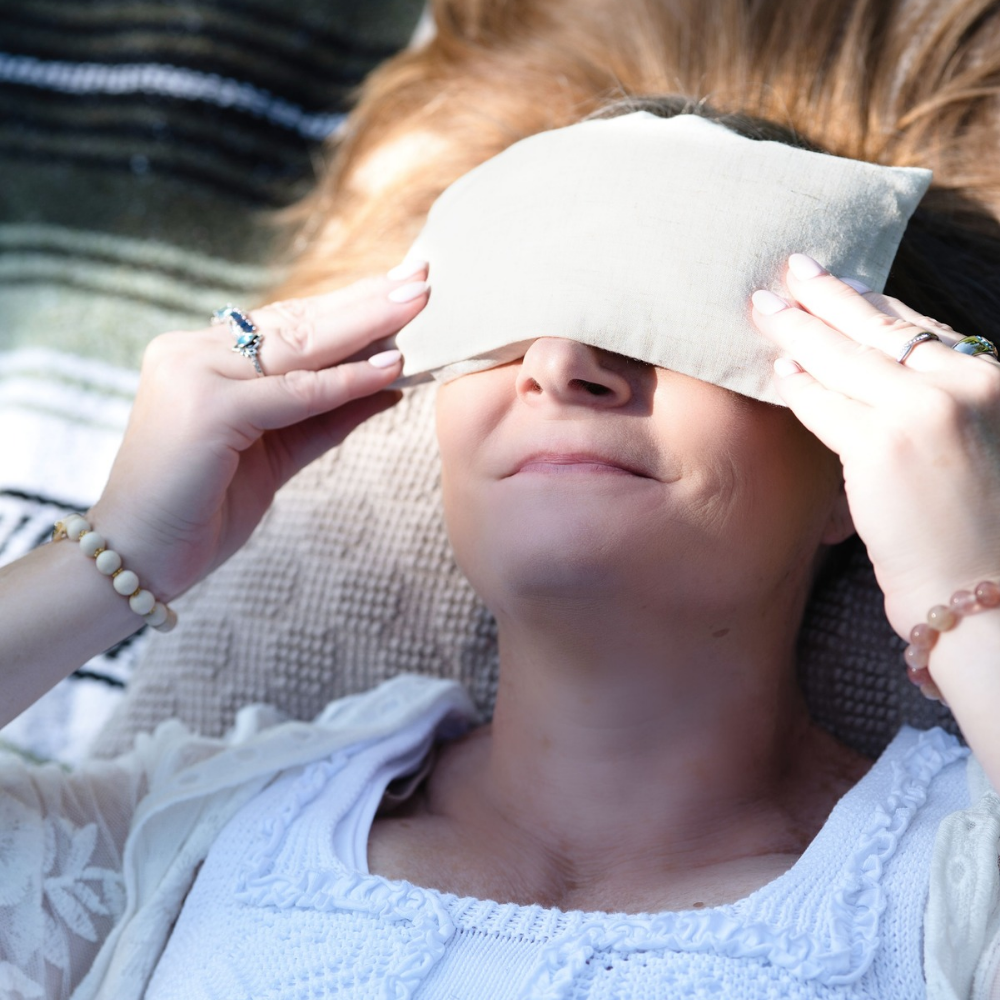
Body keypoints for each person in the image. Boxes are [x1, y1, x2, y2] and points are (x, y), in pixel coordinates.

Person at [1, 97, 999, 1000]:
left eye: (666, 319)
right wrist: (114, 551)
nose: (562, 364)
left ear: (849, 463)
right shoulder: (179, 841)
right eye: (509, 323)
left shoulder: (952, 887)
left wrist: (963, 592)